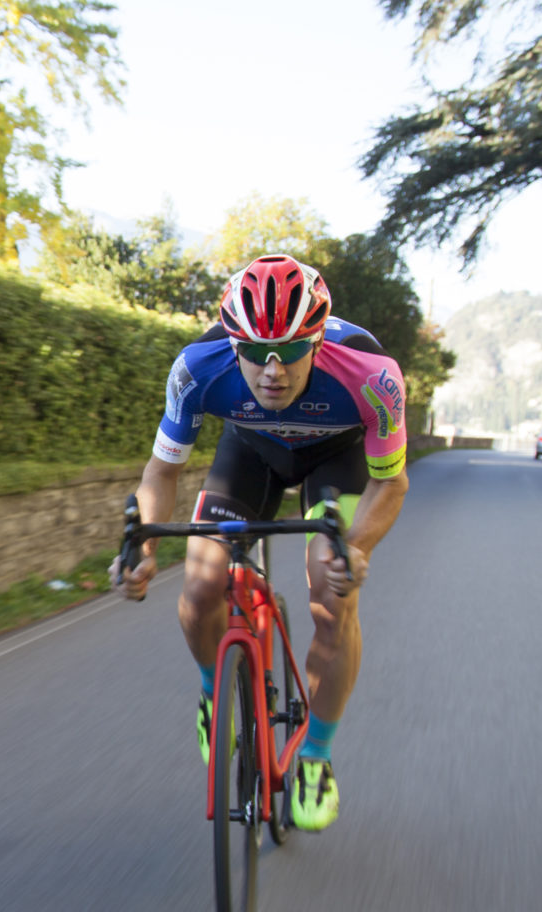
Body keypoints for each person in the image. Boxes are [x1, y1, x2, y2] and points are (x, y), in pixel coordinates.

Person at [117, 253, 409, 830]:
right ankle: (214, 692)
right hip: (251, 453)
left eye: (292, 350)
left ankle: (315, 758)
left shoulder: (372, 375)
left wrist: (357, 548)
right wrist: (142, 548)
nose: (272, 369)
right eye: (254, 351)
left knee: (332, 596)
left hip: (336, 460)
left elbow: (390, 483)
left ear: (316, 341)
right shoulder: (197, 367)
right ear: (234, 344)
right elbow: (161, 472)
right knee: (201, 585)